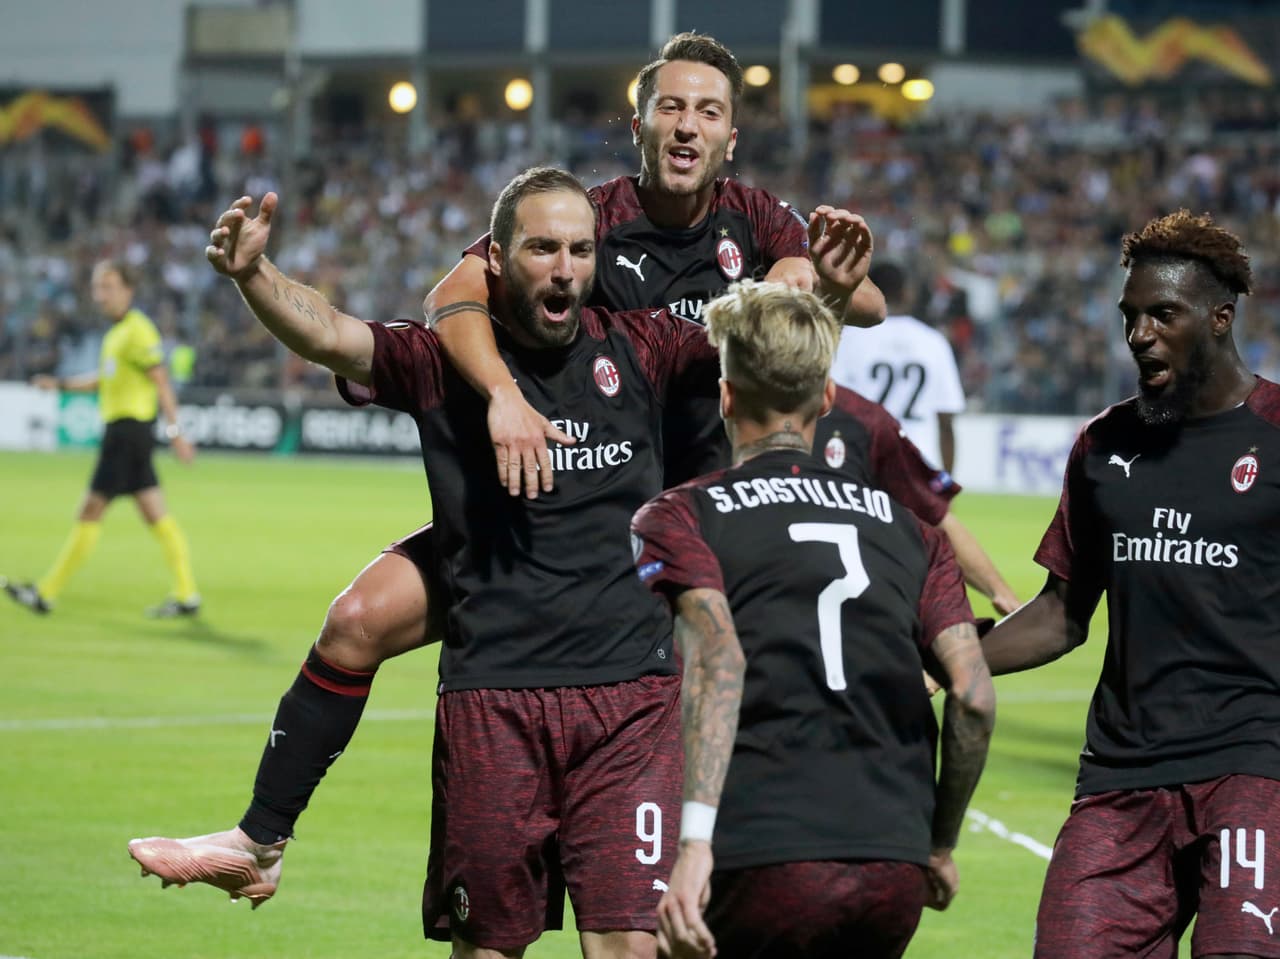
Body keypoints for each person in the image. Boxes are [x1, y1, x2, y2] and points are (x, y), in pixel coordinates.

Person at [125, 30, 888, 903]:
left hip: (685, 522)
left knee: (715, 719)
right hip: (556, 513)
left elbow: (841, 298)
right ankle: (259, 840)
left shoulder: (754, 220)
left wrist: (820, 280)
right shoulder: (579, 219)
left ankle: (788, 869)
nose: (686, 124)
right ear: (636, 124)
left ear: (728, 136)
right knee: (357, 619)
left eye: (706, 110)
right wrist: (500, 393)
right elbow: (450, 296)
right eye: (669, 106)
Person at [630, 280, 996, 959]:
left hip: (763, 850)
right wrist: (938, 842)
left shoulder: (680, 515)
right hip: (891, 863)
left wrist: (695, 843)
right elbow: (972, 696)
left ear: (726, 396)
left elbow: (717, 659)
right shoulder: (916, 533)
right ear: (827, 399)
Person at [980, 210, 1279, 958]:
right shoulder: (1105, 446)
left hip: (1256, 768)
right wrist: (942, 657)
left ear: (1219, 317)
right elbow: (1059, 614)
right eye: (1130, 315)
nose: (1139, 334)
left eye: (1162, 314)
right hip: (1121, 773)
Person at [2, 259, 200, 618]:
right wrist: (59, 384)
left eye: (108, 286)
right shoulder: (117, 334)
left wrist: (177, 433)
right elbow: (103, 380)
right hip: (128, 433)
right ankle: (187, 594)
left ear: (128, 290)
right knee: (156, 513)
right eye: (97, 287)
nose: (100, 294)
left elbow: (161, 382)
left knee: (90, 510)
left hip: (127, 432)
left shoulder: (139, 331)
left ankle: (45, 593)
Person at [829, 261, 967, 473]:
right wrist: (946, 486)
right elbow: (946, 422)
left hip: (865, 460)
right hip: (919, 463)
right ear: (906, 293)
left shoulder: (848, 338)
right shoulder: (933, 342)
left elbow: (832, 404)